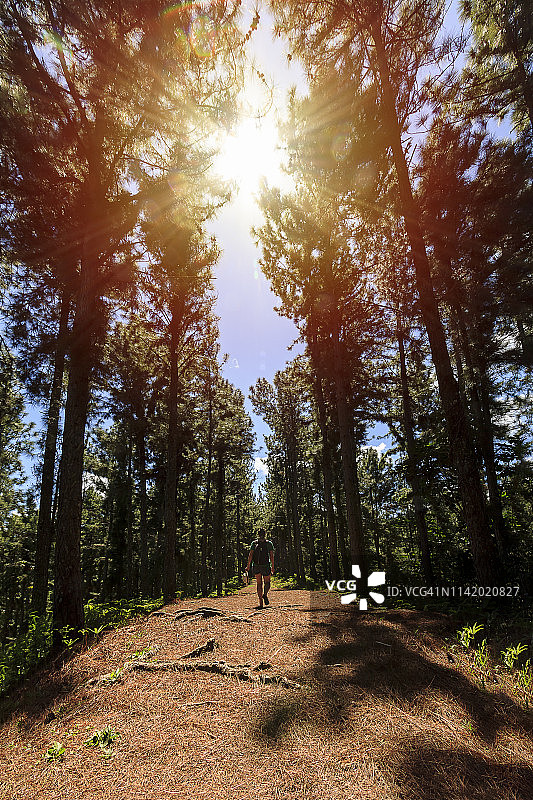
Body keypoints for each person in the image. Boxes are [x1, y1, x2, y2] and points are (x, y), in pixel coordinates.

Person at [246, 528, 274, 609]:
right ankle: (265, 594)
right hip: (266, 565)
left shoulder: (254, 543)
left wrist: (248, 566)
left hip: (256, 565)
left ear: (258, 534)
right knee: (267, 582)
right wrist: (273, 566)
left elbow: (250, 555)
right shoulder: (269, 543)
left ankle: (261, 603)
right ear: (265, 534)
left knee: (259, 584)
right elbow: (271, 556)